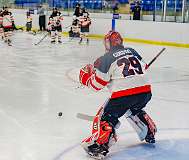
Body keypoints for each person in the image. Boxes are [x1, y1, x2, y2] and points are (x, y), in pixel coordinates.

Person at [79, 31, 157, 159]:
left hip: (124, 95)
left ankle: (101, 145)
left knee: (106, 117)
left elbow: (97, 85)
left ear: (108, 43)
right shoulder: (132, 50)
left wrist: (85, 78)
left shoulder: (107, 58)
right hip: (145, 92)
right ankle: (149, 130)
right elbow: (144, 67)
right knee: (133, 108)